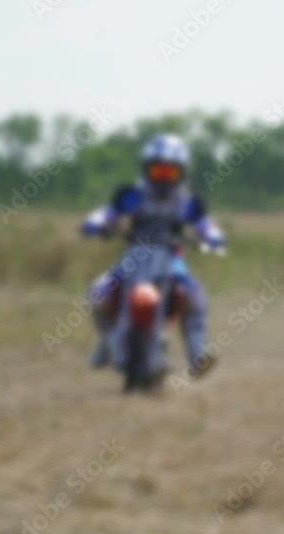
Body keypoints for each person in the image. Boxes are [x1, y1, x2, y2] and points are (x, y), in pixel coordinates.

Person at [80, 133, 226, 376]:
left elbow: (205, 226)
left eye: (170, 173)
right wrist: (96, 224)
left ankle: (197, 354)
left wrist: (213, 237)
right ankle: (107, 342)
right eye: (158, 172)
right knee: (98, 292)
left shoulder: (188, 202)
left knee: (196, 297)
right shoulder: (133, 195)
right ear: (146, 170)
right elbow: (107, 213)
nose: (163, 178)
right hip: (133, 258)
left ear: (182, 173)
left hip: (172, 260)